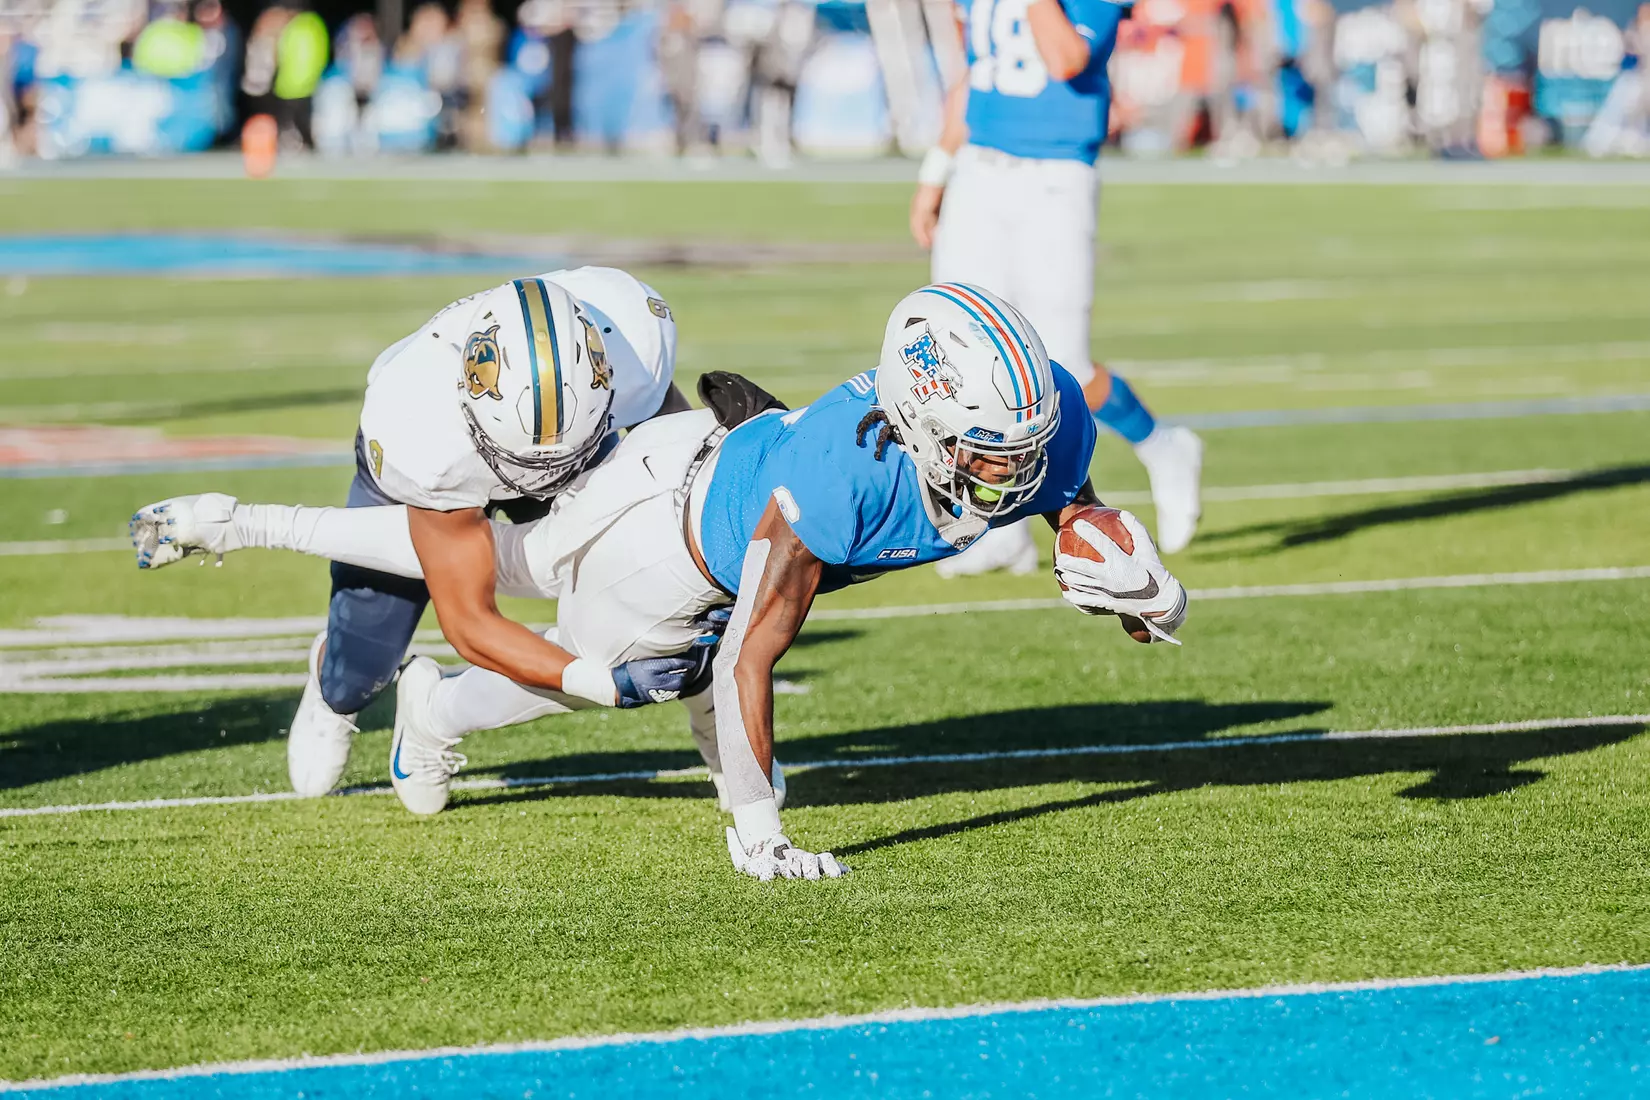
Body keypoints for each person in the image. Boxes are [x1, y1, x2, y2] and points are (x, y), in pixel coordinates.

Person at [131, 284, 1188, 881]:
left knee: (597, 611)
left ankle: (244, 523)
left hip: (680, 450)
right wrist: (758, 826)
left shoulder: (1037, 415)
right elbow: (745, 654)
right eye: (989, 452)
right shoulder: (839, 480)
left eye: (1018, 448)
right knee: (594, 658)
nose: (1008, 470)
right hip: (662, 545)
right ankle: (432, 709)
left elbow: (1056, 478)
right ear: (916, 420)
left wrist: (1097, 542)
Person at [133, 268, 694, 800]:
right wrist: (604, 685)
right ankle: (332, 686)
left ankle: (433, 723)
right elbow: (471, 623)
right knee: (361, 670)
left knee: (630, 596)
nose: (544, 477)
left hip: (573, 452)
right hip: (444, 479)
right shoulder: (422, 433)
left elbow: (682, 463)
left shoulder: (633, 341)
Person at [909, 0, 1205, 576]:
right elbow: (976, 72)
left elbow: (1066, 58)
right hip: (979, 171)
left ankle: (1162, 446)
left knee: (1063, 364)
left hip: (1055, 177)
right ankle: (998, 528)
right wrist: (936, 168)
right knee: (964, 355)